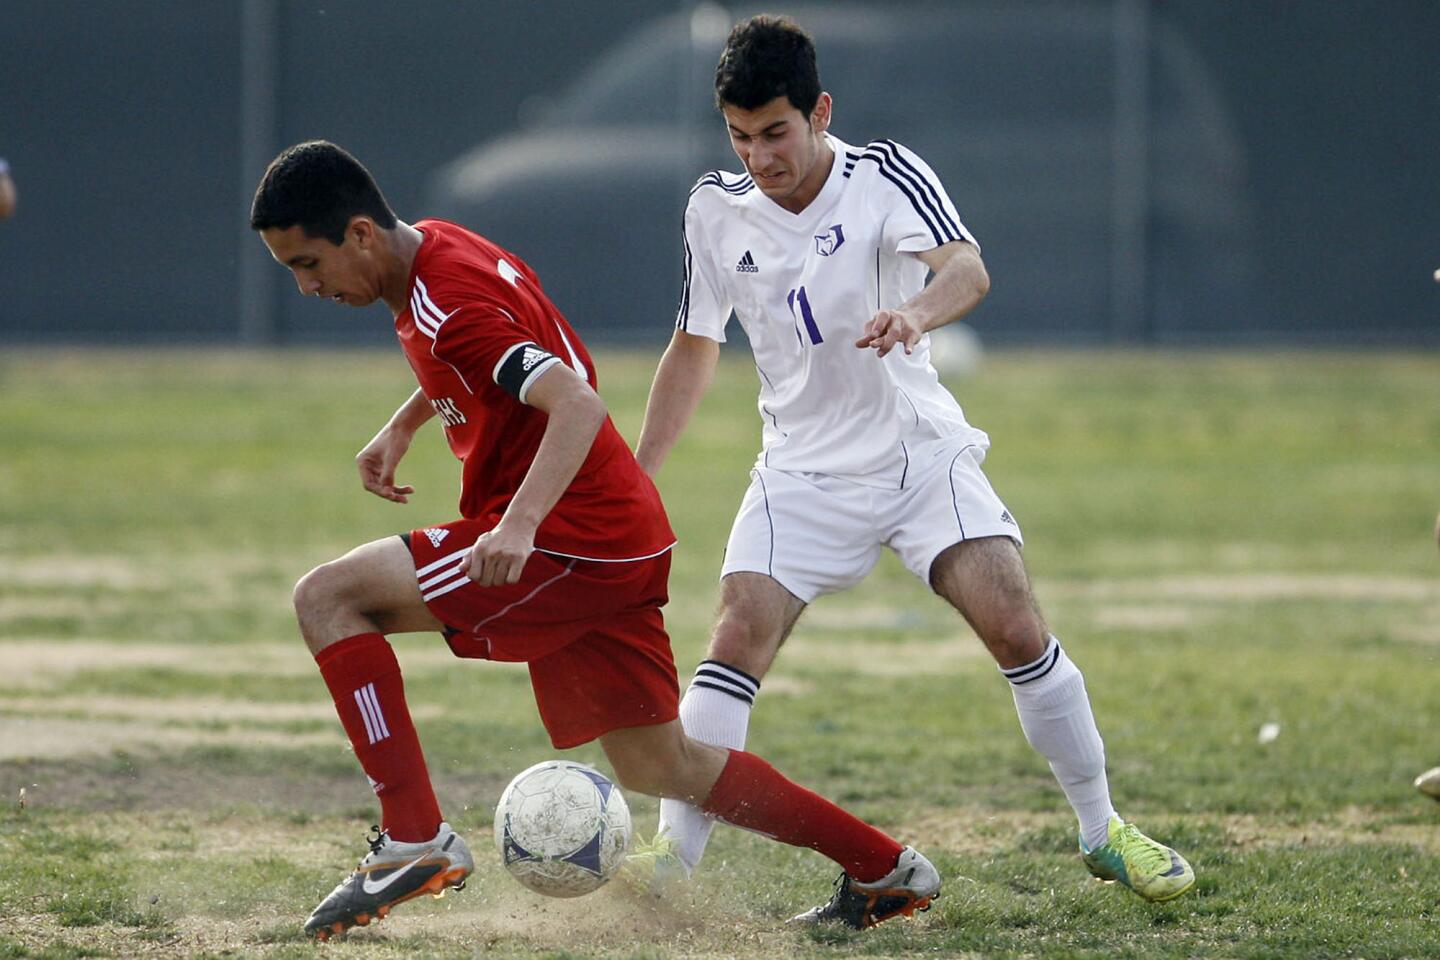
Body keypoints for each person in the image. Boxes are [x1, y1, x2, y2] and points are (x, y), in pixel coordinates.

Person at [249, 140, 941, 939]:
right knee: (662, 766)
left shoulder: (449, 299)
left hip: (569, 541)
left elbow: (574, 399)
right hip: (619, 534)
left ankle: (412, 837)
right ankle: (885, 868)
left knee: (328, 597)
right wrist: (403, 425)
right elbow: (534, 357)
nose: (306, 286)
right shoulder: (442, 246)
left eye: (307, 263)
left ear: (361, 234)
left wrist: (518, 523)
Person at [637, 15, 1195, 905]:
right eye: (741, 137)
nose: (760, 157)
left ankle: (1104, 830)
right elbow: (693, 347)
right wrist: (640, 471)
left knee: (1015, 624)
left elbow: (967, 271)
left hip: (916, 458)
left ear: (820, 112)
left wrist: (915, 316)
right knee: (734, 636)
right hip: (800, 473)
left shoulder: (883, 175)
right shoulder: (713, 208)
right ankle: (672, 862)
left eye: (776, 132)